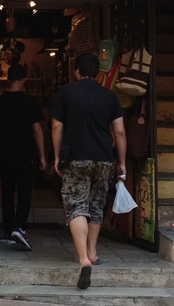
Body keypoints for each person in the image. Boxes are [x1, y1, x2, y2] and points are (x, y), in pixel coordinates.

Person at [50, 51, 126, 289]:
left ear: (77, 71)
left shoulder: (65, 93)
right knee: (95, 204)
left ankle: (83, 259)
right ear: (97, 72)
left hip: (76, 158)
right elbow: (120, 132)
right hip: (103, 158)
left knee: (76, 205)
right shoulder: (109, 96)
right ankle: (92, 252)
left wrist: (56, 155)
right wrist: (121, 162)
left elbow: (56, 125)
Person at [0, 63, 46, 250]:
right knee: (25, 192)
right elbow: (37, 132)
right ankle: (20, 227)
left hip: (5, 153)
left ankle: (8, 230)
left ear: (8, 79)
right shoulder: (31, 102)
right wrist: (43, 156)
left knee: (7, 192)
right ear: (24, 79)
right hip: (26, 153)